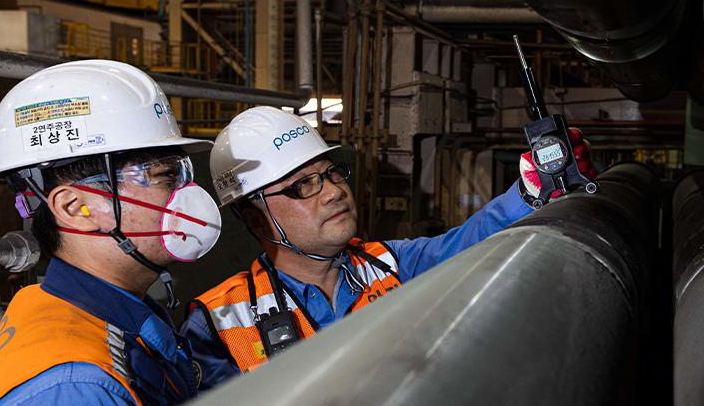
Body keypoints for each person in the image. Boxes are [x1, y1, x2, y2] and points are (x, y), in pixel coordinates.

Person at [0, 60, 223, 406]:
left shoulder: (94, 315)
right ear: (76, 208)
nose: (186, 196)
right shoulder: (69, 396)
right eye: (164, 177)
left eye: (180, 173)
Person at [180, 106, 596, 388]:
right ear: (254, 218)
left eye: (331, 172)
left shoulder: (392, 264)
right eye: (303, 185)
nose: (333, 193)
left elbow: (471, 239)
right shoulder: (215, 326)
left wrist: (531, 186)